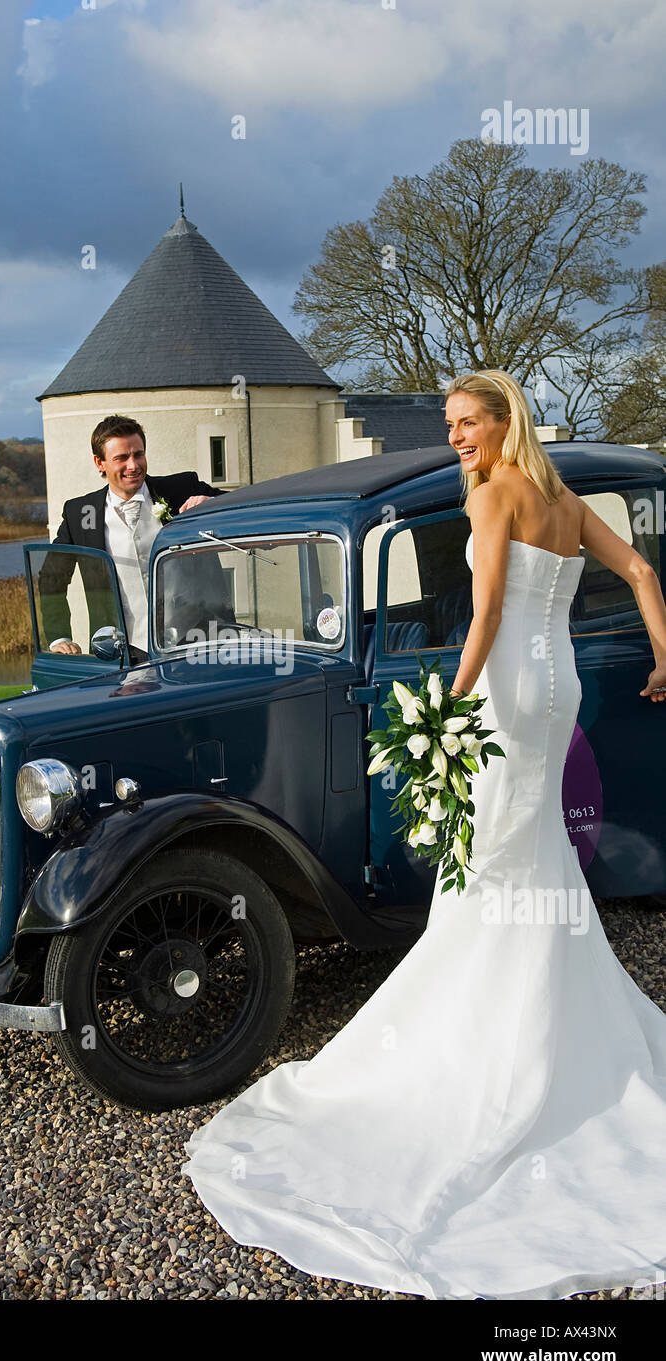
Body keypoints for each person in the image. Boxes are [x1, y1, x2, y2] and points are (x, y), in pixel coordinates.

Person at [181, 368, 666, 1300]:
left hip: (504, 694)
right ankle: (550, 1025)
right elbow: (642, 570)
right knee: (528, 857)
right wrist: (664, 656)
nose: (455, 439)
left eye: (466, 423)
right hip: (558, 691)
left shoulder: (494, 496)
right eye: (448, 426)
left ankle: (491, 1046)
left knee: (490, 861)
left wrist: (447, 705)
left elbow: (484, 616)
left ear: (500, 422)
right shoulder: (564, 496)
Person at [41, 415, 224, 663]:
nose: (133, 465)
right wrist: (59, 637)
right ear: (100, 463)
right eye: (121, 458)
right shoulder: (80, 513)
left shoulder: (181, 488)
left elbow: (251, 503)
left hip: (199, 642)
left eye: (138, 454)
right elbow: (52, 577)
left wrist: (215, 503)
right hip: (121, 653)